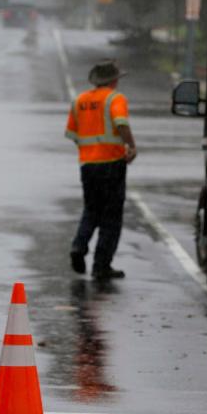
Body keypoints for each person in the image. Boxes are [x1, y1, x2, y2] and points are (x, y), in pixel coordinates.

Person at [65, 60, 137, 279]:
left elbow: (73, 134)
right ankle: (101, 265)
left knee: (91, 209)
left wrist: (90, 152)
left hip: (88, 165)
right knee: (111, 216)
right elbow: (121, 123)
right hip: (112, 164)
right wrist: (131, 146)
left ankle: (79, 246)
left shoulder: (79, 101)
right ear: (114, 80)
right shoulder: (115, 98)